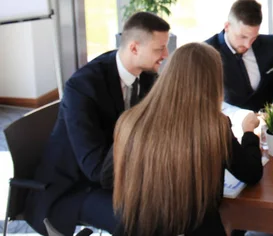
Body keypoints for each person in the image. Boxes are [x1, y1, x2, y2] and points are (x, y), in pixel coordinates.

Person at [25, 12, 170, 235]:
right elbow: (95, 169)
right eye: (159, 49)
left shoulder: (147, 76)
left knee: (174, 200)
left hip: (117, 176)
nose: (165, 55)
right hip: (75, 187)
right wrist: (133, 128)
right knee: (140, 219)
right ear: (134, 48)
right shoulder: (83, 87)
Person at [105, 42, 263, 236]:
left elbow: (107, 177)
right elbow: (252, 172)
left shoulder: (130, 121)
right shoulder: (213, 126)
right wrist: (248, 133)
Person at [206, 0, 273, 114]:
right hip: (228, 127)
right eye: (242, 37)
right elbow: (206, 101)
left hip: (271, 125)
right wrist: (241, 116)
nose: (247, 44)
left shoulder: (271, 45)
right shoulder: (207, 52)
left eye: (253, 38)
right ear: (227, 26)